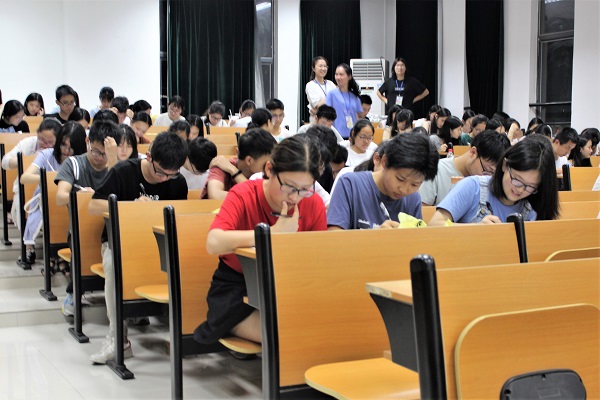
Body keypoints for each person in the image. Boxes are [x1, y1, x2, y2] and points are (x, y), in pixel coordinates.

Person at [196, 135, 327, 344]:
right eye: (289, 186)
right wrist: (271, 233)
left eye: (304, 189)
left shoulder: (313, 203)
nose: (295, 197)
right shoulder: (244, 194)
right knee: (288, 334)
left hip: (288, 287)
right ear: (269, 169)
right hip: (238, 289)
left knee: (323, 326)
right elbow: (214, 242)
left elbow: (319, 259)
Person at [88, 132, 188, 364]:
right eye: (160, 172)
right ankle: (118, 339)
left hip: (158, 244)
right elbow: (93, 205)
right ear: (149, 157)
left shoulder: (177, 182)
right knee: (113, 266)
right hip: (119, 242)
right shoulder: (123, 172)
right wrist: (130, 206)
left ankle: (188, 334)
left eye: (171, 174)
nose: (164, 179)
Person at [429, 135, 558, 226]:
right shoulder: (473, 187)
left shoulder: (531, 209)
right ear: (505, 165)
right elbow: (434, 224)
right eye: (517, 179)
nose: (520, 189)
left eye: (530, 186)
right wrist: (476, 229)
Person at [327, 132, 438, 230]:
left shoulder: (413, 198)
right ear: (384, 161)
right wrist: (377, 238)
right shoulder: (350, 185)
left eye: (414, 184)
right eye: (400, 179)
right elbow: (334, 236)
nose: (404, 190)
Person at [19, 122, 87, 265]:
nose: (66, 150)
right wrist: (53, 179)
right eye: (63, 145)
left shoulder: (82, 160)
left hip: (70, 204)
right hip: (46, 202)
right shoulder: (47, 154)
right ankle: (31, 248)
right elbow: (25, 178)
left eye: (71, 147)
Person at [420, 130, 511, 206]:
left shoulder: (492, 181)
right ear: (473, 152)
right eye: (488, 170)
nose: (488, 177)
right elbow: (422, 214)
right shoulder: (436, 170)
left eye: (494, 174)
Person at [2, 118, 61, 227]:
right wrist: (30, 160)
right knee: (22, 203)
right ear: (37, 134)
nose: (44, 144)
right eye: (41, 139)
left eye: (50, 142)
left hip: (51, 190)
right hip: (25, 189)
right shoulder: (29, 143)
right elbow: (5, 162)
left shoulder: (61, 149)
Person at [202, 128, 276, 199]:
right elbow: (215, 195)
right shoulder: (221, 166)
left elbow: (260, 196)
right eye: (267, 162)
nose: (271, 166)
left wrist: (234, 171)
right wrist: (251, 197)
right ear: (249, 160)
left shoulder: (269, 173)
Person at [325, 63, 364, 139]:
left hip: (352, 135)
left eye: (341, 74)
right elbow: (327, 115)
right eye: (336, 74)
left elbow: (359, 116)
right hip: (336, 135)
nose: (338, 77)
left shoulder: (354, 96)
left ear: (349, 76)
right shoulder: (331, 94)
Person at [305, 56, 337, 123]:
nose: (323, 68)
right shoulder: (310, 85)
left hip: (331, 120)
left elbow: (338, 100)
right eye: (320, 66)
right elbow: (318, 105)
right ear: (313, 68)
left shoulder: (330, 83)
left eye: (325, 66)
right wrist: (331, 99)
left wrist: (323, 101)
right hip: (317, 121)